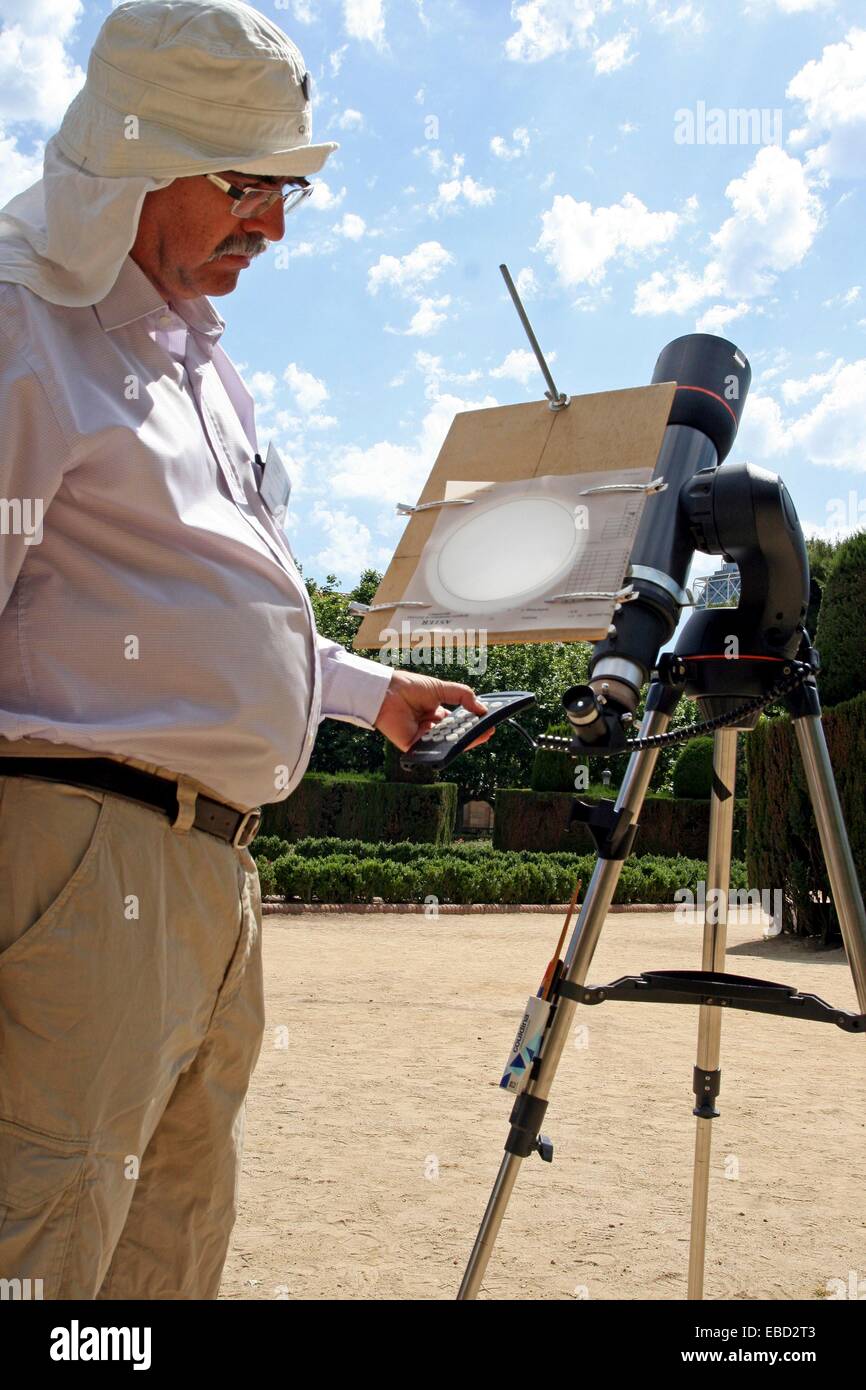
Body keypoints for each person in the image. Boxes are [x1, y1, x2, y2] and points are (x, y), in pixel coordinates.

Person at [0, 0, 492, 1300]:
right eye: (244, 185)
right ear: (131, 155)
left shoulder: (197, 360)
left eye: (287, 189)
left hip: (216, 869)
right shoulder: (19, 324)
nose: (274, 225)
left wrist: (371, 692)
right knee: (42, 1245)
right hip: (79, 852)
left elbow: (209, 612)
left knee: (169, 1245)